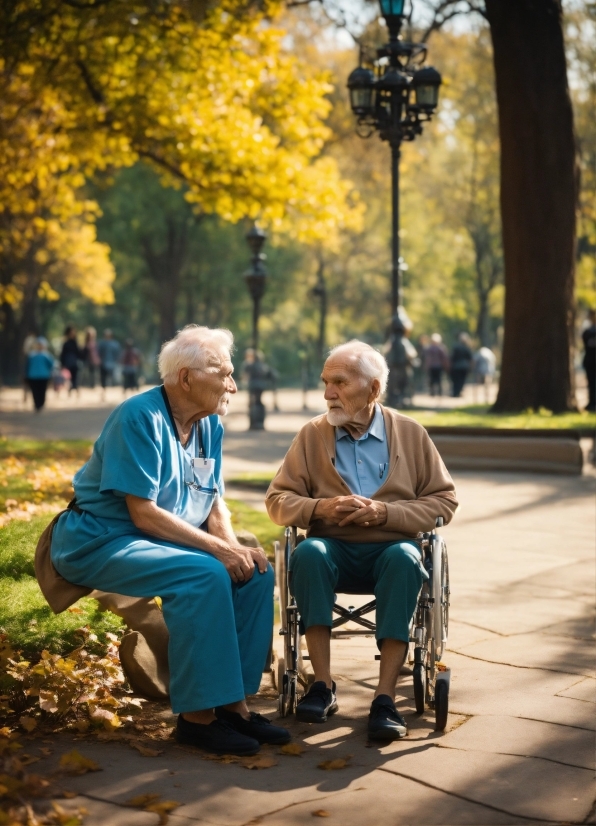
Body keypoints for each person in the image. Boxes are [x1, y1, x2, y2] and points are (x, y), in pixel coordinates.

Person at [49, 325, 289, 755]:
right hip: (100, 539)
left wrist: (234, 547)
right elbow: (142, 514)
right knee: (204, 574)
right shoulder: (138, 416)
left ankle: (234, 708)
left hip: (158, 537)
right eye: (226, 374)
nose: (233, 385)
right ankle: (197, 721)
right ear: (187, 378)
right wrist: (218, 551)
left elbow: (214, 503)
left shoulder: (209, 424)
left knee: (253, 570)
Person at [265, 341, 457, 741]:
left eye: (339, 382)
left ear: (372, 389)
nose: (327, 393)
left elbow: (444, 501)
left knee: (407, 558)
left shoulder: (409, 434)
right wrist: (320, 509)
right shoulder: (312, 435)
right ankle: (322, 684)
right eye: (325, 382)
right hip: (332, 547)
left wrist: (387, 513)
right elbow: (277, 500)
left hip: (391, 548)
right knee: (310, 552)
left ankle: (384, 698)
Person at [25, 337, 54, 412]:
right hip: (33, 376)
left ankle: (41, 404)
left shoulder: (46, 355)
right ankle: (37, 404)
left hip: (43, 376)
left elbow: (51, 365)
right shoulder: (32, 355)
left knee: (42, 391)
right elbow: (27, 366)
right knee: (35, 391)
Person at [97, 329, 121, 398]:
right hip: (103, 364)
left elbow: (117, 354)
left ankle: (114, 393)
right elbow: (99, 353)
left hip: (112, 364)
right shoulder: (102, 343)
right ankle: (104, 392)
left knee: (112, 379)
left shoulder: (115, 344)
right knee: (103, 379)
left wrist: (117, 361)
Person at [449, 333, 473, 398]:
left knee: (456, 380)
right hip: (464, 366)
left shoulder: (456, 347)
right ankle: (458, 392)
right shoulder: (467, 348)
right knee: (462, 380)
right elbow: (470, 359)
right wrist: (470, 367)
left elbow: (452, 357)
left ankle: (455, 392)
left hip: (456, 366)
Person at [60, 325, 82, 395]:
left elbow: (78, 353)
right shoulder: (66, 343)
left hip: (74, 362)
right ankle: (70, 391)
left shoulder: (75, 342)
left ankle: (76, 391)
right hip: (68, 362)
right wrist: (62, 363)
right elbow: (63, 354)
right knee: (68, 378)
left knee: (75, 377)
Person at [581, 309, 596, 412]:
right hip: (591, 362)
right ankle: (592, 403)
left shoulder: (588, 332)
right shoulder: (588, 332)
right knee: (591, 383)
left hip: (590, 361)